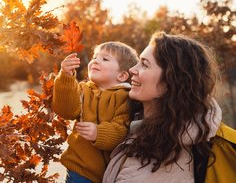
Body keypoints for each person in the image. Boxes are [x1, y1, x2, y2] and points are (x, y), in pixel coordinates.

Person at [103, 31, 222, 183]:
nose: (133, 69)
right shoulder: (146, 130)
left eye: (145, 64)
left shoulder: (167, 161)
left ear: (170, 82)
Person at [52, 41, 138, 183]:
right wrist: (66, 76)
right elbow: (66, 111)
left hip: (113, 171)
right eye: (94, 57)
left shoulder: (125, 97)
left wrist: (98, 133)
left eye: (104, 59)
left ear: (122, 76)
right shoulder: (83, 90)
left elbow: (122, 130)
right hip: (80, 169)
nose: (96, 61)